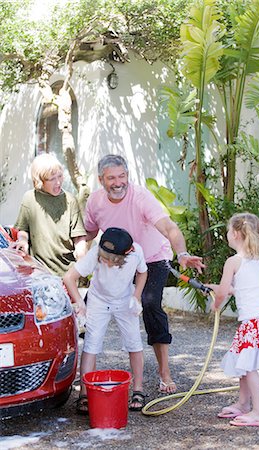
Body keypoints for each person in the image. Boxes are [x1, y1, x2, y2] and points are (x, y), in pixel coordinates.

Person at [83, 154, 205, 394]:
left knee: (149, 304)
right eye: (111, 178)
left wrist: (181, 254)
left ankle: (164, 373)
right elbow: (88, 232)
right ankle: (83, 382)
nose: (118, 182)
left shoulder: (140, 198)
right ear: (101, 180)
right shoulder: (95, 202)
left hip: (151, 258)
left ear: (127, 175)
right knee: (86, 308)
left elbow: (169, 227)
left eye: (122, 176)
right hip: (118, 259)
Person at [206, 212, 259, 427]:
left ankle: (258, 412)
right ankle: (243, 404)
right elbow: (242, 288)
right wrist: (225, 290)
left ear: (234, 234)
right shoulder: (256, 259)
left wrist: (216, 304)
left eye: (227, 231)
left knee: (249, 367)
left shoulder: (233, 261)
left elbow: (222, 293)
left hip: (254, 322)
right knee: (243, 362)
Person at [63, 227, 148, 414]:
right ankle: (84, 395)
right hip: (98, 301)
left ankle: (138, 390)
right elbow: (69, 277)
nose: (106, 262)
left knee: (134, 343)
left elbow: (143, 273)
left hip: (125, 300)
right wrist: (80, 303)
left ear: (127, 254)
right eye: (104, 258)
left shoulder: (136, 253)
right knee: (91, 346)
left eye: (112, 260)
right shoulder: (96, 252)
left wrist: (137, 296)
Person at [13, 153, 87, 276]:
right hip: (37, 270)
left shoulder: (70, 200)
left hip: (66, 271)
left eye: (60, 176)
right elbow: (23, 229)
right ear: (39, 181)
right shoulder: (29, 198)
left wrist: (82, 256)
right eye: (52, 179)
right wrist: (23, 241)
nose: (58, 182)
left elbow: (79, 237)